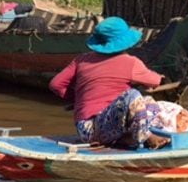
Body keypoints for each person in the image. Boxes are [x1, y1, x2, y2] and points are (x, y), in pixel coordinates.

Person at [49, 16, 169, 150]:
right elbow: (155, 81)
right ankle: (146, 137)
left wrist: (78, 98)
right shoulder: (130, 62)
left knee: (148, 101)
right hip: (96, 129)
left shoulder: (81, 60)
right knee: (134, 95)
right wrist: (159, 77)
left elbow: (56, 84)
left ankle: (124, 138)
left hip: (84, 129)